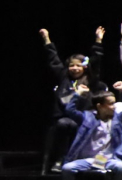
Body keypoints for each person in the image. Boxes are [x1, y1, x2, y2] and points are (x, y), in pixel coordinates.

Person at [40, 25, 105, 172]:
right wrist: (47, 40)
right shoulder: (64, 77)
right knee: (64, 125)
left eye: (78, 66)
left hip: (83, 116)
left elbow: (96, 61)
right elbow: (54, 59)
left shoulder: (90, 80)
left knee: (77, 126)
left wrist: (98, 41)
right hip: (63, 116)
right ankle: (60, 159)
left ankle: (79, 160)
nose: (75, 68)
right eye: (71, 66)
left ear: (84, 68)